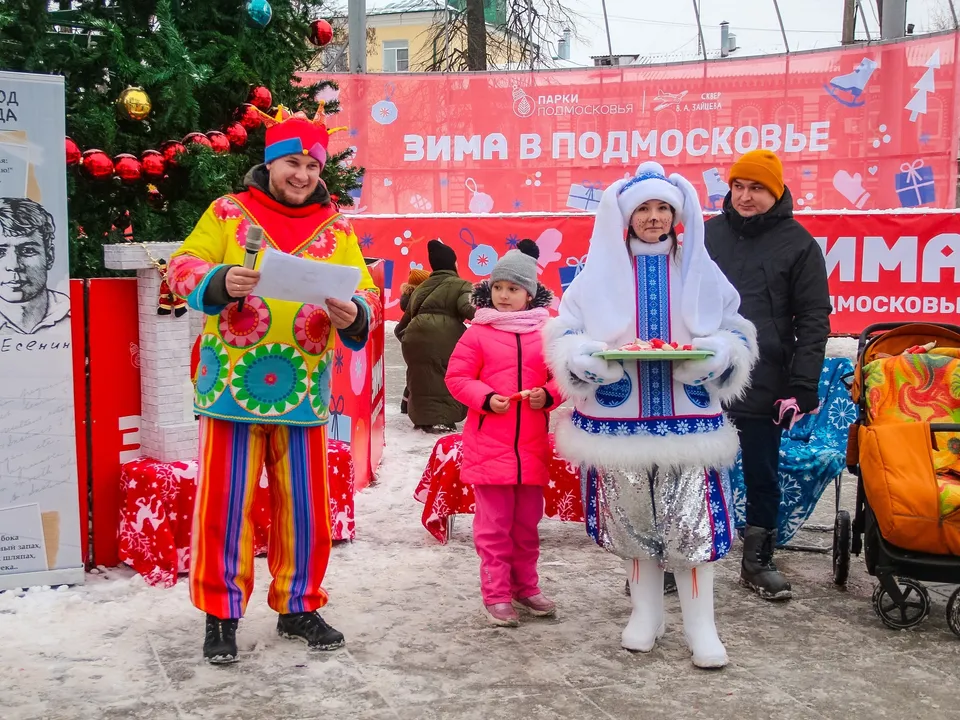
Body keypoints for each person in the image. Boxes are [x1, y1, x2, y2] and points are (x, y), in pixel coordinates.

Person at [167, 106, 380, 664]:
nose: (303, 175)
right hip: (232, 389)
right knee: (225, 504)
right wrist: (217, 280)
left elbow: (369, 297)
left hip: (303, 388)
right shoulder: (228, 213)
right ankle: (221, 615)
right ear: (269, 164)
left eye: (312, 166)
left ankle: (297, 605)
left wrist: (352, 313)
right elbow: (183, 263)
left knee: (305, 507)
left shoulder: (338, 228)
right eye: (292, 163)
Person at [544, 162, 759, 669]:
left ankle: (700, 625)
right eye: (644, 208)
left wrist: (720, 355)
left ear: (677, 215)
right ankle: (645, 614)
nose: (655, 217)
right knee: (632, 522)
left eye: (664, 208)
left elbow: (739, 330)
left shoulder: (700, 270)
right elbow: (565, 332)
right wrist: (581, 360)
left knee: (693, 524)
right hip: (617, 426)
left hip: (690, 424)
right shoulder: (595, 275)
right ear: (626, 216)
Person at [704, 149, 831, 601]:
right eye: (738, 186)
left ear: (774, 192)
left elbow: (813, 317)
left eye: (755, 188)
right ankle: (682, 554)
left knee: (761, 471)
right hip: (703, 374)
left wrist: (802, 384)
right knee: (691, 467)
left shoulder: (799, 244)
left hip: (765, 376)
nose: (744, 196)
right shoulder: (706, 235)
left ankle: (757, 559)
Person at [445, 240, 562, 627]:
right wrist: (487, 397)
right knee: (494, 527)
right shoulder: (477, 333)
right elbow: (457, 377)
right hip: (488, 446)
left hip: (530, 446)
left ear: (529, 294)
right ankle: (496, 593)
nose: (504, 295)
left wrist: (547, 395)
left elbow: (561, 378)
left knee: (527, 525)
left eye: (513, 289)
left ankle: (525, 586)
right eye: (498, 288)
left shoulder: (545, 333)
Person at [395, 239, 475, 432]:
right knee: (444, 375)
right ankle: (443, 419)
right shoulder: (461, 284)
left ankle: (423, 419)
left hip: (414, 336)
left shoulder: (421, 287)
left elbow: (401, 326)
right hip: (444, 336)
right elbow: (467, 308)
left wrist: (413, 339)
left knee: (421, 376)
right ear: (453, 263)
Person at [0, 197, 70, 335]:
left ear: (49, 256)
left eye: (27, 251)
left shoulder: (70, 314)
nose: (14, 265)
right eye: (1, 252)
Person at [398, 267, 430, 415]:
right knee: (416, 376)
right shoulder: (416, 300)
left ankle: (405, 405)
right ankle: (408, 406)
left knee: (413, 374)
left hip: (413, 341)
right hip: (417, 340)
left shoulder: (409, 298)